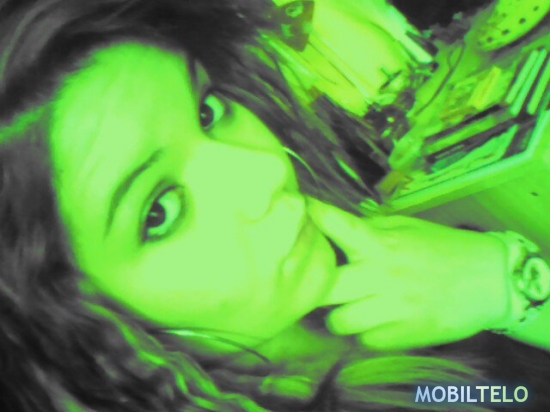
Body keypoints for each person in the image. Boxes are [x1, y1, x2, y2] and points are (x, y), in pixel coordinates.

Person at [0, 0, 548, 411]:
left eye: (209, 111)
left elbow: (509, 392)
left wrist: (499, 283)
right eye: (159, 211)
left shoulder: (367, 260)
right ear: (74, 320)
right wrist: (513, 291)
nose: (264, 172)